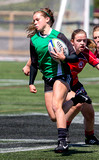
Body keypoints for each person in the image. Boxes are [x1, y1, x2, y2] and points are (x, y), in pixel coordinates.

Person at [23, 29, 99, 145]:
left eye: (84, 41)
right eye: (79, 40)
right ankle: (64, 129)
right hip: (61, 83)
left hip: (75, 84)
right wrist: (27, 66)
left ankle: (90, 137)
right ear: (72, 42)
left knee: (89, 111)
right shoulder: (62, 49)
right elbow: (40, 53)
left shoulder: (86, 53)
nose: (82, 43)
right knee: (74, 106)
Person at [26, 8, 90, 153]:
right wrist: (31, 83)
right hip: (47, 78)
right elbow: (34, 63)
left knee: (57, 106)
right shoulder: (34, 39)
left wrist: (64, 58)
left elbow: (74, 56)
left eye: (37, 19)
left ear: (47, 19)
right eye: (34, 20)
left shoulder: (58, 36)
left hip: (62, 74)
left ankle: (63, 141)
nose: (35, 22)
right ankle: (76, 99)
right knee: (53, 116)